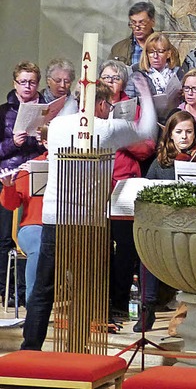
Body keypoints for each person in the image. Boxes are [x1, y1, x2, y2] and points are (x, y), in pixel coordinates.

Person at [22, 78, 157, 351]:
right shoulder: (107, 129)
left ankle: (30, 348)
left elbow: (68, 108)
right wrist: (145, 93)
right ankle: (79, 348)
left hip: (54, 219)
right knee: (85, 289)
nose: (110, 110)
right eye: (108, 105)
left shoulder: (58, 125)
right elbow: (148, 130)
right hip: (89, 222)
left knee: (44, 289)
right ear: (100, 104)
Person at [135, 110, 196, 332]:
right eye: (179, 132)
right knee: (147, 253)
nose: (184, 137)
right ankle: (147, 309)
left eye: (189, 132)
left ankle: (188, 311)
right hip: (166, 226)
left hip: (194, 227)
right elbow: (148, 195)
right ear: (170, 135)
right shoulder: (160, 164)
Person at [99, 60, 156, 321]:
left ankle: (120, 303)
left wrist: (116, 138)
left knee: (125, 248)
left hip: (123, 185)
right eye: (106, 77)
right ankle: (98, 303)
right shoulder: (90, 107)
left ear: (123, 83)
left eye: (115, 78)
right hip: (95, 186)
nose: (110, 82)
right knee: (98, 248)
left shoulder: (131, 109)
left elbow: (146, 148)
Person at [0, 61, 47, 306]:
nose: (28, 86)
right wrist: (13, 144)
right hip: (11, 174)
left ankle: (31, 292)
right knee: (6, 235)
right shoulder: (3, 112)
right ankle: (10, 291)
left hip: (39, 173)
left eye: (32, 82)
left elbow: (54, 145)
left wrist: (43, 140)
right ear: (15, 84)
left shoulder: (47, 110)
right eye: (23, 82)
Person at [125, 32, 184, 120]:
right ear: (146, 54)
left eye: (160, 52)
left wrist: (182, 95)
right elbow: (128, 105)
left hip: (174, 120)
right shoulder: (136, 77)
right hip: (147, 121)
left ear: (168, 54)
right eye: (151, 52)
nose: (155, 56)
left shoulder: (179, 73)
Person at [109, 1, 156, 66]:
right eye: (133, 23)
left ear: (152, 22)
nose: (137, 28)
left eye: (142, 23)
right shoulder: (118, 49)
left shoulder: (164, 48)